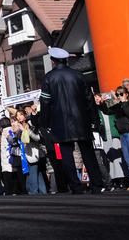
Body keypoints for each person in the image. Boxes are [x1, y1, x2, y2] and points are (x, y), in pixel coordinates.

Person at [36, 46, 104, 194]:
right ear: (66, 60)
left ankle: (76, 186)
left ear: (52, 61)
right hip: (81, 120)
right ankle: (97, 184)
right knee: (88, 153)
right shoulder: (78, 76)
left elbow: (45, 103)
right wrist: (94, 119)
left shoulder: (48, 78)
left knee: (67, 155)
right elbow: (89, 99)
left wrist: (45, 123)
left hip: (60, 122)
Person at [98, 83, 129, 189]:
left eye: (121, 94)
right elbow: (107, 111)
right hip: (122, 134)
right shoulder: (118, 106)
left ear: (126, 94)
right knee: (128, 160)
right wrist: (102, 102)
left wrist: (124, 103)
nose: (119, 96)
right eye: (117, 94)